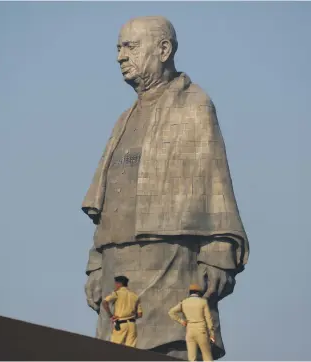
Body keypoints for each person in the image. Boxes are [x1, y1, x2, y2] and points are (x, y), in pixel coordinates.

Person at [82, 16, 249, 360]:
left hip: (173, 261)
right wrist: (96, 263)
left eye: (130, 46)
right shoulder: (123, 121)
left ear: (163, 49)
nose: (120, 56)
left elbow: (214, 181)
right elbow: (108, 200)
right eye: (118, 48)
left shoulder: (194, 106)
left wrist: (218, 252)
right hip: (119, 267)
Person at [168, 284, 215, 361]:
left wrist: (181, 321)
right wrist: (212, 334)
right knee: (207, 356)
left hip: (190, 331)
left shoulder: (184, 302)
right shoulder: (203, 302)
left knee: (192, 358)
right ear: (198, 292)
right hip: (201, 330)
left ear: (190, 292)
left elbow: (171, 312)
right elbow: (208, 319)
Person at [101, 276, 142, 347]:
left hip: (120, 324)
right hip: (132, 325)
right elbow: (140, 314)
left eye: (115, 284)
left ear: (118, 284)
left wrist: (111, 316)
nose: (115, 286)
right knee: (131, 349)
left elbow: (104, 302)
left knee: (114, 348)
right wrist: (131, 316)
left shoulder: (117, 293)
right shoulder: (135, 296)